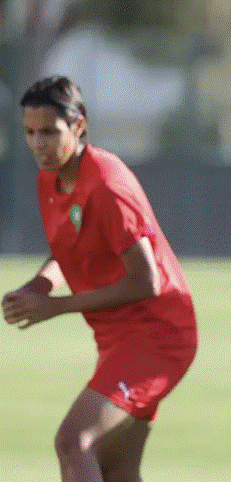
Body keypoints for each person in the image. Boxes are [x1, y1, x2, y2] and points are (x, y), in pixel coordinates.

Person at [2, 76, 197, 482]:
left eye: (49, 132)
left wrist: (55, 307)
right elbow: (69, 247)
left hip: (157, 336)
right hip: (116, 338)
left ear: (79, 124)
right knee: (117, 470)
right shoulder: (49, 178)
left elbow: (147, 282)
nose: (38, 144)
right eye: (30, 132)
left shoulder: (107, 183)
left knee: (73, 442)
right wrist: (41, 284)